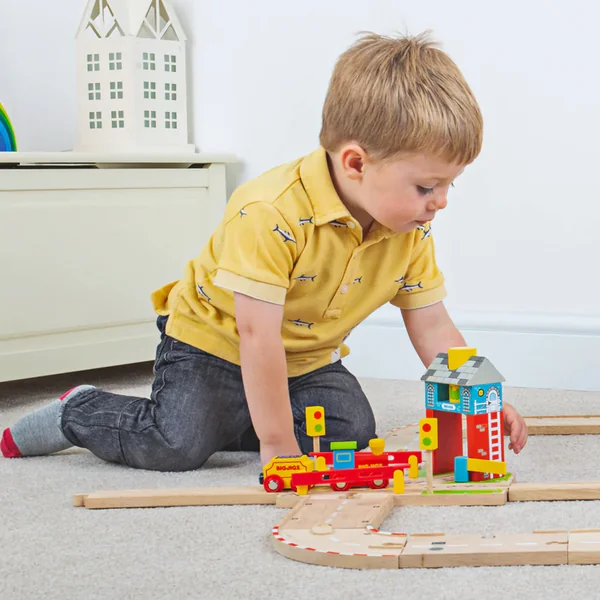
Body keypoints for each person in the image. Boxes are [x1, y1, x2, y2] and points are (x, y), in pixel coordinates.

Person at [1, 32, 528, 471]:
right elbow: (256, 336)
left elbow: (433, 325)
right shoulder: (270, 212)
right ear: (355, 163)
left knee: (350, 433)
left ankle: (239, 413)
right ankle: (79, 410)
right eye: (426, 187)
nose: (440, 202)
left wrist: (482, 401)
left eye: (449, 185)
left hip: (306, 358)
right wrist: (277, 443)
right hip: (214, 344)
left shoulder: (410, 230)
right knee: (176, 445)